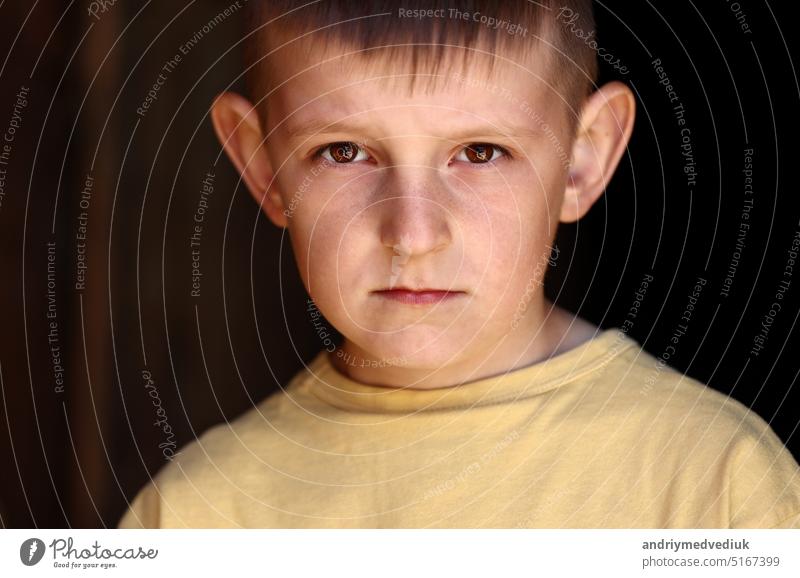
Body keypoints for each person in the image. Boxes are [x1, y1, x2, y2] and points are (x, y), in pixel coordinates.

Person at [117, 0, 800, 528]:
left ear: (582, 158)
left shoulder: (714, 483)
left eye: (479, 153)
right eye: (344, 152)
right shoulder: (195, 518)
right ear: (262, 164)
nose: (412, 235)